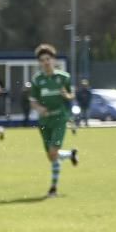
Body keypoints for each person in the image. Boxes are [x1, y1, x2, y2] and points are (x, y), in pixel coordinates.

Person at [29, 44, 78, 197]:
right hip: (44, 121)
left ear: (54, 60)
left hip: (59, 118)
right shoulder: (37, 80)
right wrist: (39, 108)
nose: (46, 62)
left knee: (53, 151)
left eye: (48, 59)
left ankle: (53, 188)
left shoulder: (64, 77)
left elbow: (71, 95)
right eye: (42, 60)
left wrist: (66, 95)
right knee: (51, 156)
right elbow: (33, 100)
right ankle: (70, 154)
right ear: (40, 63)